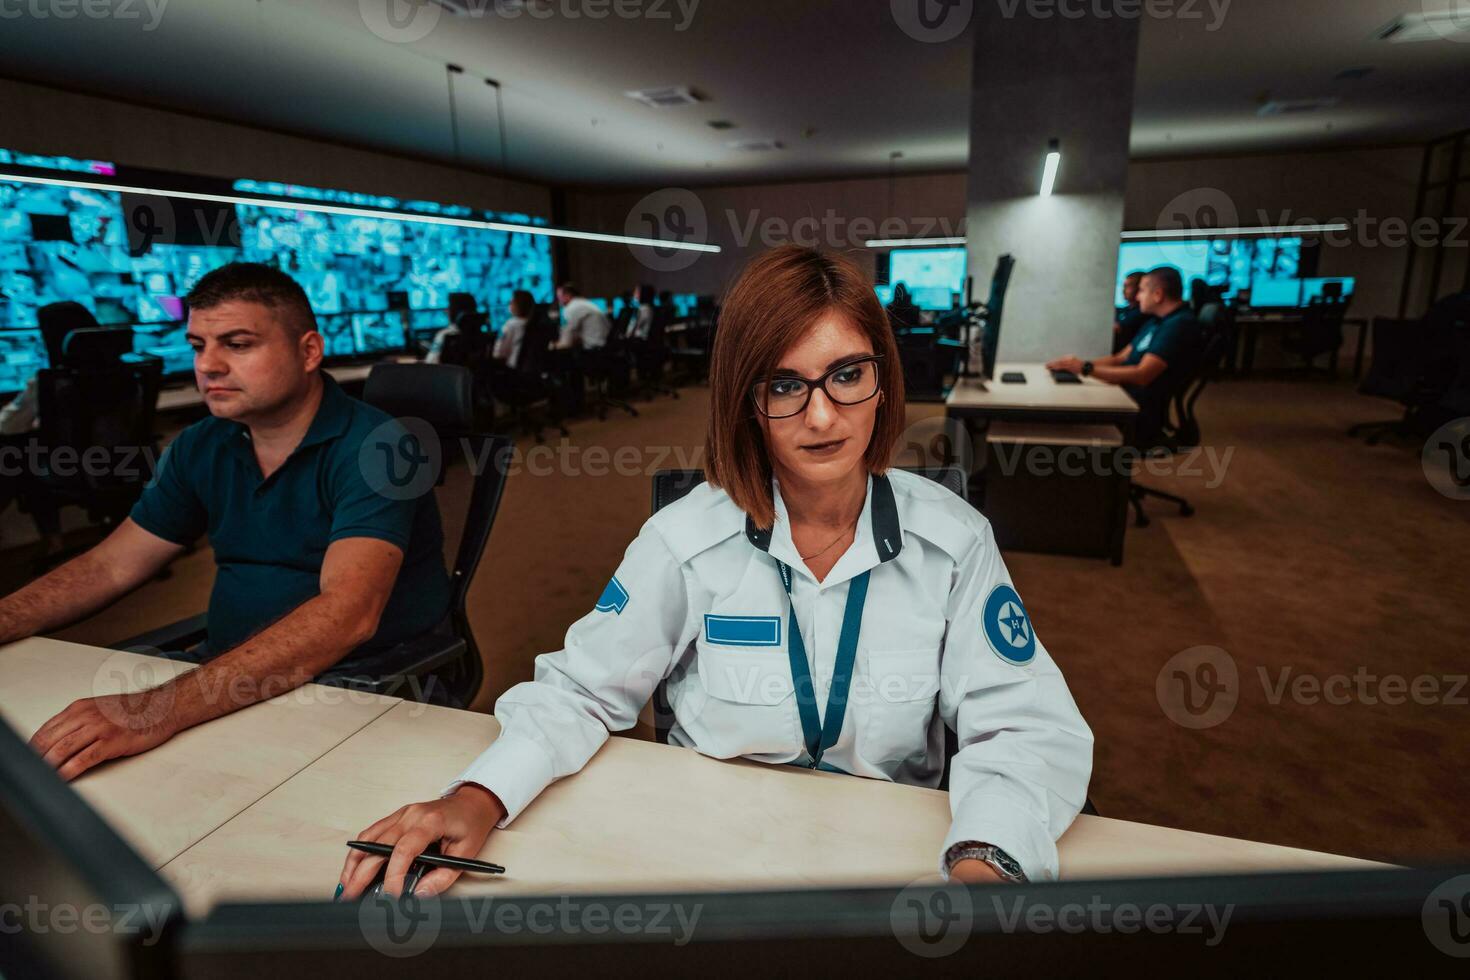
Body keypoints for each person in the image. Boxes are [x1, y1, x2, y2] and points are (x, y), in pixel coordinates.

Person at [338, 245, 1093, 900]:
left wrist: (984, 866)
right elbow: (581, 689)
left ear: (884, 381)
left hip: (894, 854)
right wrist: (478, 796)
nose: (823, 417)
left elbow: (1023, 726)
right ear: (746, 402)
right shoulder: (684, 538)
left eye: (847, 375)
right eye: (785, 385)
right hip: (710, 851)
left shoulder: (954, 541)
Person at [4, 262, 453, 781]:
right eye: (198, 345)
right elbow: (111, 565)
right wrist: (7, 616)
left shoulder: (381, 448)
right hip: (230, 675)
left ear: (309, 351)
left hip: (358, 685)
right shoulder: (202, 444)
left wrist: (159, 709)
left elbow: (347, 615)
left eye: (237, 344)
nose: (208, 365)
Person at [1048, 265, 1203, 445]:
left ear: (1158, 295)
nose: (1137, 297)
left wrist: (1085, 368)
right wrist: (1077, 365)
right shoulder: (1156, 321)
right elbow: (1119, 358)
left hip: (1138, 411)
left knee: (1065, 414)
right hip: (1125, 395)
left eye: (1142, 291)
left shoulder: (1179, 326)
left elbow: (1142, 375)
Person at [424, 292, 480, 365]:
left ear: (455, 311)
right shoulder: (483, 336)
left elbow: (431, 363)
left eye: (448, 307)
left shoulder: (444, 335)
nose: (445, 311)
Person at [554, 282, 612, 351]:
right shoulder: (583, 303)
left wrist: (554, 345)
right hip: (605, 344)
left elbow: (567, 339)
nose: (558, 300)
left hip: (594, 349)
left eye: (559, 297)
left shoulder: (572, 307)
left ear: (567, 295)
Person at [491, 290, 534, 370]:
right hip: (532, 371)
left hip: (512, 370)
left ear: (516, 305)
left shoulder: (510, 325)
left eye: (511, 302)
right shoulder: (533, 324)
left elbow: (498, 354)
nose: (509, 304)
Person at [1113, 271, 1150, 352]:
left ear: (1138, 288)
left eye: (1128, 286)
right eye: (1124, 286)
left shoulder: (1142, 313)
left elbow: (1116, 328)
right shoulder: (1123, 310)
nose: (1123, 290)